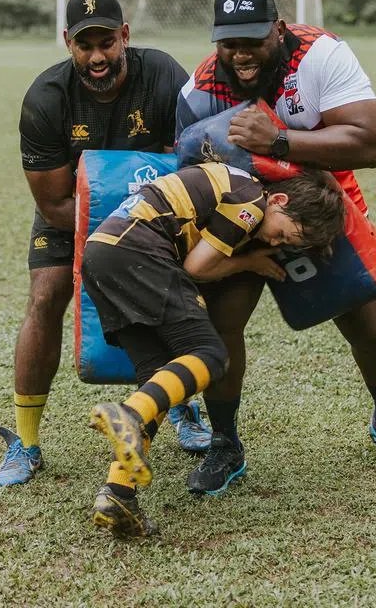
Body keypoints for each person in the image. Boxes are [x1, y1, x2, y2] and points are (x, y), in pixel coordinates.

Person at [175, 0, 376, 496]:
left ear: (279, 28)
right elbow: (188, 171)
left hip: (318, 206)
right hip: (241, 214)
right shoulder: (199, 91)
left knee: (366, 322)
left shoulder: (320, 56)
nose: (241, 54)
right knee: (222, 325)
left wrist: (280, 141)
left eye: (252, 39)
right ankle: (225, 442)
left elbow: (369, 142)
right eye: (229, 43)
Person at [0, 0, 212, 487]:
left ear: (125, 37)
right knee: (45, 299)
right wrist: (109, 241)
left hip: (155, 216)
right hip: (72, 214)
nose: (98, 56)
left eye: (107, 42)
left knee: (175, 295)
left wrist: (144, 238)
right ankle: (26, 442)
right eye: (85, 45)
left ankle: (179, 408)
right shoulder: (46, 98)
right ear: (68, 42)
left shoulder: (161, 75)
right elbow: (51, 202)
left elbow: (190, 164)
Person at [82, 163, 346, 536]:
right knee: (211, 354)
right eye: (285, 234)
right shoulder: (251, 200)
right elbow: (198, 266)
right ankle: (126, 413)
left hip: (102, 254)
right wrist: (248, 262)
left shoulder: (241, 192)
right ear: (281, 200)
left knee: (158, 380)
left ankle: (118, 494)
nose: (275, 244)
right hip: (140, 251)